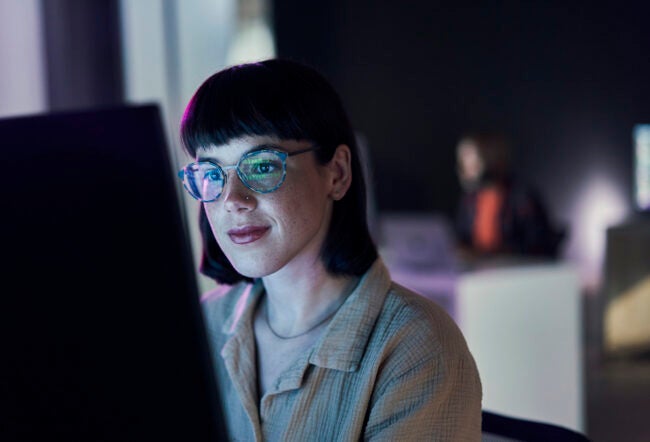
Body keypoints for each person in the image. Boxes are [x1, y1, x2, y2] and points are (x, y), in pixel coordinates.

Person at [177, 59, 482, 441]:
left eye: (261, 166)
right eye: (210, 173)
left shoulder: (416, 347)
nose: (232, 200)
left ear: (336, 173)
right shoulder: (201, 327)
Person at [454, 130, 565, 262]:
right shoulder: (470, 200)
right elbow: (462, 238)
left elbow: (538, 245)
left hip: (515, 273)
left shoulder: (522, 197)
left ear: (491, 157)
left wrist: (499, 253)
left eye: (470, 159)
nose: (465, 167)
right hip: (480, 272)